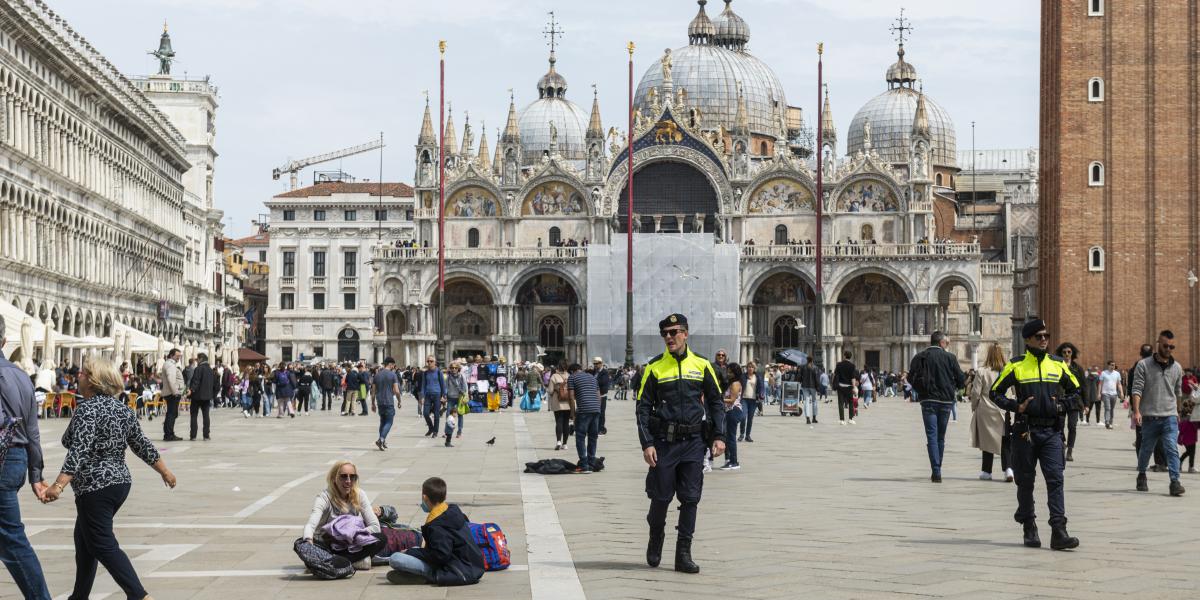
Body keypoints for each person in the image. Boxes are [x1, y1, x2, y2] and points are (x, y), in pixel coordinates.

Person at [41, 354, 177, 600]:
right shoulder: (122, 409)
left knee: (102, 543)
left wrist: (58, 486)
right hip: (119, 483)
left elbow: (78, 449)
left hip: (95, 486)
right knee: (84, 539)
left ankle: (139, 595)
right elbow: (141, 444)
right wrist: (164, 471)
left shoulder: (87, 409)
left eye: (83, 373)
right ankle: (79, 596)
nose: (78, 376)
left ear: (92, 381)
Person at [636, 313, 726, 574]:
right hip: (664, 443)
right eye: (665, 333)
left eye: (674, 332)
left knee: (690, 499)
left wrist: (719, 436)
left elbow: (716, 402)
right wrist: (647, 443)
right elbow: (642, 408)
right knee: (660, 498)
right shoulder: (654, 367)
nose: (669, 337)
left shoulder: (702, 365)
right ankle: (656, 535)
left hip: (694, 442)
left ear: (685, 334)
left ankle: (683, 553)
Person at [990, 319, 1081, 550]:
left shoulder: (1058, 364)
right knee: (1025, 481)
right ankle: (1029, 526)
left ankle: (1059, 530)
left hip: (1051, 431)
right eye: (1039, 336)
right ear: (1028, 339)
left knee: (1056, 479)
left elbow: (1077, 392)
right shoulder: (1016, 365)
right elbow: (995, 392)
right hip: (1025, 432)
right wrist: (1015, 406)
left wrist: (1061, 405)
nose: (1044, 340)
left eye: (1046, 336)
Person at [0, 320, 52, 600]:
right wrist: (36, 473)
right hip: (17, 459)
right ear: (4, 341)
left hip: (2, 459)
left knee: (11, 537)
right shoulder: (21, 376)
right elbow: (32, 429)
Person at [386, 477, 485, 586]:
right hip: (471, 566)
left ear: (425, 497)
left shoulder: (437, 525)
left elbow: (440, 556)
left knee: (395, 558)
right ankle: (418, 573)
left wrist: (410, 552)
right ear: (444, 496)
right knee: (413, 550)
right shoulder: (452, 510)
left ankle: (429, 576)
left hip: (456, 571)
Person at [1131, 330, 1186, 497]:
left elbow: (1178, 392)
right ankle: (1142, 474)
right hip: (1149, 417)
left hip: (1169, 416)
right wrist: (1136, 411)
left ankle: (1175, 482)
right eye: (1165, 345)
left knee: (1172, 449)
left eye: (1171, 346)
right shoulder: (1144, 365)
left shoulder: (1177, 367)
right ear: (1158, 344)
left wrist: (1178, 411)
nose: (1168, 349)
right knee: (1146, 449)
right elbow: (1137, 388)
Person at [302, 461, 385, 570]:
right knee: (303, 543)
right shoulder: (324, 497)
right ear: (334, 478)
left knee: (381, 539)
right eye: (343, 477)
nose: (348, 481)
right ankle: (353, 561)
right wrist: (308, 541)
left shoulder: (360, 495)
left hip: (351, 543)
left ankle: (334, 563)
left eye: (353, 477)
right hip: (327, 543)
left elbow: (375, 526)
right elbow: (310, 525)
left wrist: (349, 535)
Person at [909, 331, 966, 483]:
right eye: (947, 343)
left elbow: (910, 378)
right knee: (941, 437)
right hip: (946, 401)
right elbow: (962, 378)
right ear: (941, 343)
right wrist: (954, 387)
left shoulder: (920, 357)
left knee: (932, 436)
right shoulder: (950, 357)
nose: (947, 345)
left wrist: (920, 391)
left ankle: (936, 470)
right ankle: (937, 468)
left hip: (928, 400)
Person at [968, 343, 1012, 482]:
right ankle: (1008, 469)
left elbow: (976, 392)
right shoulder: (1008, 370)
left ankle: (987, 471)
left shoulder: (982, 371)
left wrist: (974, 406)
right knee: (1005, 441)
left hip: (986, 409)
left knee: (987, 441)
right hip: (1003, 409)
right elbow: (1014, 391)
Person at [1055, 343, 1086, 462]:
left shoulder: (1078, 368)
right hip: (1061, 400)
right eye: (1064, 352)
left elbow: (1084, 386)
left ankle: (1070, 451)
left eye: (1069, 352)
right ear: (1060, 353)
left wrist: (1086, 404)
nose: (1067, 354)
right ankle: (1061, 448)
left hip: (1074, 401)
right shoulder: (1057, 367)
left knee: (1072, 426)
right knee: (1060, 426)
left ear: (1072, 353)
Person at [568, 363, 602, 473]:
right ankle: (591, 464)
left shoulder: (572, 377)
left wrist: (572, 414)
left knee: (580, 436)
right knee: (593, 437)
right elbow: (598, 395)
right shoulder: (592, 377)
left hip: (583, 410)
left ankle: (583, 465)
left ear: (572, 371)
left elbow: (571, 397)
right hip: (596, 409)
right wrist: (597, 409)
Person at [372, 358, 402, 451]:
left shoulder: (377, 375)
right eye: (393, 365)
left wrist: (373, 403)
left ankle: (383, 441)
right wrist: (399, 400)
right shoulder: (393, 375)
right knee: (389, 422)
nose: (394, 367)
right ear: (390, 364)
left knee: (382, 421)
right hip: (389, 401)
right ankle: (381, 439)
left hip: (380, 401)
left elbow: (373, 392)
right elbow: (397, 390)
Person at [187, 352, 218, 441]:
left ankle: (193, 435)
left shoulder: (198, 369)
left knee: (194, 416)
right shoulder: (211, 370)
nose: (197, 361)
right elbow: (215, 385)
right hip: (207, 397)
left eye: (197, 359)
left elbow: (196, 381)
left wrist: (191, 390)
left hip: (196, 396)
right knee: (206, 416)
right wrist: (213, 395)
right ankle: (206, 435)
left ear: (201, 359)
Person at [413, 356, 446, 437]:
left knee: (436, 414)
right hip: (427, 395)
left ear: (434, 362)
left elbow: (443, 385)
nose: (429, 363)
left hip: (437, 395)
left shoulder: (439, 372)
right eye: (428, 361)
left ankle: (435, 431)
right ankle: (431, 428)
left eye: (431, 361)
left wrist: (443, 396)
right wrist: (422, 396)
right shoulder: (425, 373)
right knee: (425, 413)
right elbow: (423, 385)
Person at [159, 349, 185, 442]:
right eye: (177, 356)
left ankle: (168, 433)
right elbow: (171, 380)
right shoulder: (170, 365)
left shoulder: (168, 364)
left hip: (169, 392)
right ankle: (169, 434)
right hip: (172, 393)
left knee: (170, 413)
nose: (178, 358)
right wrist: (175, 392)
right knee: (172, 414)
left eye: (179, 356)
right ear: (171, 355)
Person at [739, 361, 764, 443]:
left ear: (754, 368)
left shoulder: (758, 376)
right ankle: (742, 433)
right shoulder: (743, 376)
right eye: (749, 367)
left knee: (750, 418)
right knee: (743, 417)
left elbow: (761, 387)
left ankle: (747, 435)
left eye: (752, 367)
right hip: (744, 399)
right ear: (747, 368)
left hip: (753, 400)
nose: (750, 368)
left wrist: (761, 394)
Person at [549, 362, 572, 451]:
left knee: (559, 422)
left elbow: (550, 391)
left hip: (557, 402)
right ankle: (565, 444)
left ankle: (558, 441)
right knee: (566, 423)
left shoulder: (554, 376)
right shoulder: (570, 376)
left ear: (558, 367)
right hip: (568, 402)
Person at [445, 360, 469, 442]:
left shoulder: (462, 376)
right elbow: (446, 387)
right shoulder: (448, 377)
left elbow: (465, 387)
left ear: (458, 368)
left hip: (459, 398)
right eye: (452, 368)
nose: (454, 369)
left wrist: (465, 396)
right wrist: (444, 396)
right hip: (451, 397)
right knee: (448, 414)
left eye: (455, 368)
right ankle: (448, 431)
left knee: (460, 414)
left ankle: (459, 431)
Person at [1097, 360, 1123, 429]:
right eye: (1111, 365)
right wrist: (1099, 393)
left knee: (1112, 409)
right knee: (1107, 408)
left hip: (1114, 394)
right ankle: (1107, 422)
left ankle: (1111, 422)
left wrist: (1122, 393)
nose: (1112, 366)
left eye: (1113, 365)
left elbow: (1119, 384)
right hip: (1105, 393)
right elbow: (1100, 384)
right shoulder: (1103, 373)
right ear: (1108, 365)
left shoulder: (1117, 374)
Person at [834, 351, 858, 425]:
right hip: (849, 387)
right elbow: (853, 378)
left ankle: (842, 420)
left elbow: (835, 375)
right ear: (850, 357)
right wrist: (854, 387)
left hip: (840, 386)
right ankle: (850, 419)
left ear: (844, 356)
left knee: (840, 403)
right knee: (850, 403)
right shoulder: (852, 366)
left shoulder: (839, 365)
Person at [593, 358, 611, 435]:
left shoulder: (605, 372)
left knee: (601, 412)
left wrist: (593, 381)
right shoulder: (595, 372)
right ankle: (595, 428)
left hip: (602, 395)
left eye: (597, 364)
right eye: (594, 364)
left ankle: (601, 428)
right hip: (594, 395)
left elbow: (603, 382)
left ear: (601, 363)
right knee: (595, 412)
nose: (595, 365)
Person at [800, 357, 820, 424]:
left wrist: (800, 382)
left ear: (807, 360)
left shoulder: (803, 367)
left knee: (806, 401)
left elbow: (799, 376)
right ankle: (814, 418)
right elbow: (817, 378)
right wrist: (818, 387)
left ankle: (808, 418)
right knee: (814, 401)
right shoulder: (815, 367)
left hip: (805, 386)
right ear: (812, 360)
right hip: (813, 386)